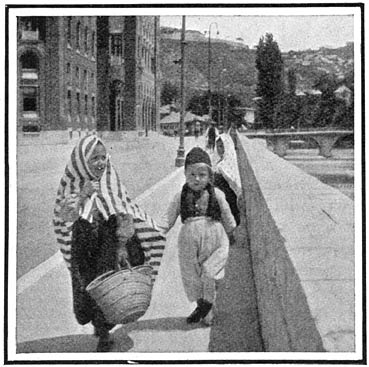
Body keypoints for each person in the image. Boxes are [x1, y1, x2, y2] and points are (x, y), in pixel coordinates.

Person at [53, 135, 166, 352]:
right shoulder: (75, 184)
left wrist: (123, 245)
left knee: (105, 282)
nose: (100, 162)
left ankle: (104, 332)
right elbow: (66, 217)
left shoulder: (111, 182)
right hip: (83, 245)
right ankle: (97, 322)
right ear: (82, 160)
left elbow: (124, 213)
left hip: (107, 242)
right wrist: (82, 195)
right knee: (86, 285)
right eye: (94, 158)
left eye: (103, 157)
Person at [158, 147, 236, 325]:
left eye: (202, 174)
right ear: (185, 174)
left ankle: (206, 307)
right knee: (192, 276)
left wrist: (232, 231)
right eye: (192, 174)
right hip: (189, 240)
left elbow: (227, 214)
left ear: (209, 176)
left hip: (215, 237)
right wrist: (158, 232)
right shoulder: (180, 196)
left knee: (209, 272)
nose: (197, 179)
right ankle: (202, 306)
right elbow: (168, 218)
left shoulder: (217, 195)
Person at [213, 133, 242, 230]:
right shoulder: (220, 162)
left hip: (228, 198)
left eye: (221, 146)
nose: (219, 149)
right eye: (217, 147)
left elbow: (234, 182)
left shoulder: (226, 164)